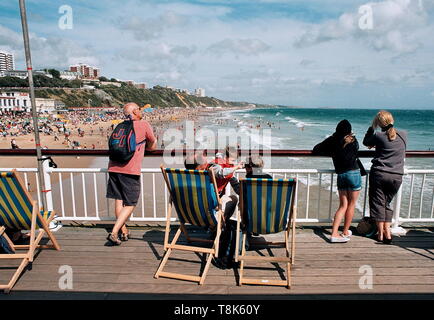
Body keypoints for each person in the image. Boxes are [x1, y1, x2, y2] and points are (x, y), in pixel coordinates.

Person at [106, 103, 157, 245]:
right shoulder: (143, 124)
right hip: (130, 170)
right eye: (139, 109)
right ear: (135, 111)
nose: (141, 111)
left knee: (119, 200)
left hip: (114, 167)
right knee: (131, 203)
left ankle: (124, 232)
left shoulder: (120, 126)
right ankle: (115, 232)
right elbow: (153, 146)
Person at [313, 120, 361, 243]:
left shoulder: (332, 140)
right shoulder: (353, 141)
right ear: (349, 131)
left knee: (343, 205)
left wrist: (331, 150)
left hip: (341, 175)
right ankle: (344, 231)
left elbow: (316, 149)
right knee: (351, 204)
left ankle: (334, 232)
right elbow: (355, 151)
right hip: (354, 173)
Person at [363, 111, 407, 244]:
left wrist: (371, 127)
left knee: (378, 203)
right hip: (397, 175)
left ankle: (381, 235)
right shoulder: (404, 135)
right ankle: (388, 233)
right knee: (386, 203)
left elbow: (366, 142)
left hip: (380, 173)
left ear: (379, 123)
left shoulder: (378, 135)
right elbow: (392, 143)